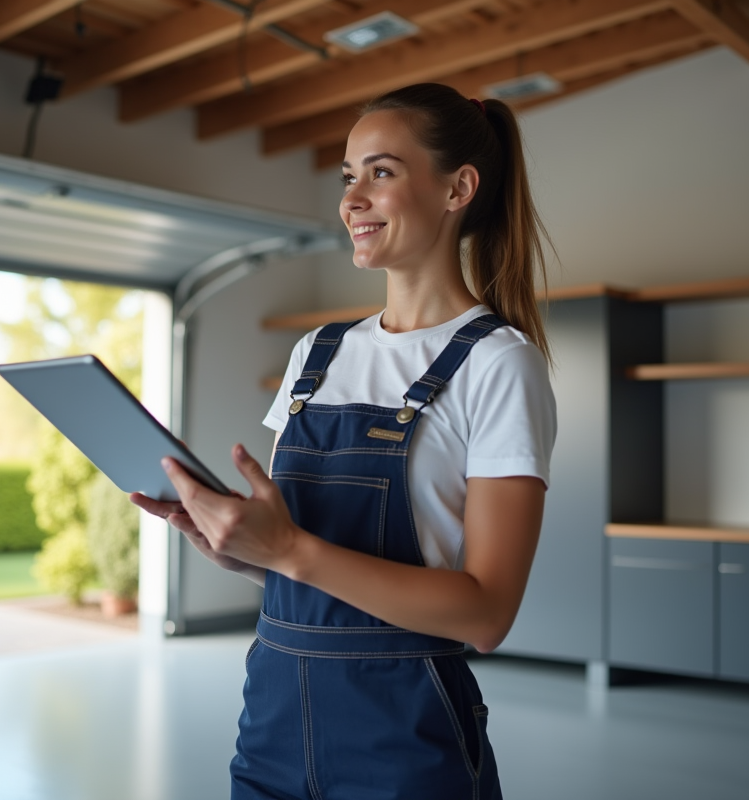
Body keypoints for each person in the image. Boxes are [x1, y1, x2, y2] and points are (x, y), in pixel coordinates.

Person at [132, 82, 557, 800]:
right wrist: (244, 551)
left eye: (381, 173)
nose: (352, 199)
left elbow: (486, 615)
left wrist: (289, 550)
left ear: (459, 188)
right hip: (269, 721)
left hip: (403, 734)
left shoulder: (498, 362)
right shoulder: (316, 353)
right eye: (348, 177)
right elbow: (307, 565)